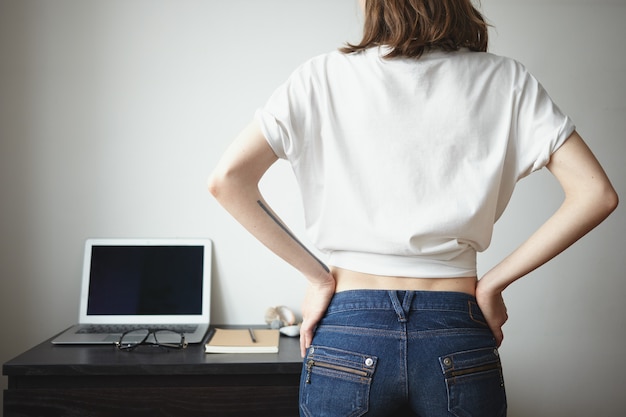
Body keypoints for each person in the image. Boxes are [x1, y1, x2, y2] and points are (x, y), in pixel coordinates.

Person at [208, 0, 618, 415]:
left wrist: (317, 279)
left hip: (349, 325)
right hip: (456, 324)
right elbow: (596, 194)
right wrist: (493, 284)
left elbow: (228, 181)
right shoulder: (507, 80)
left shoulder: (320, 77)